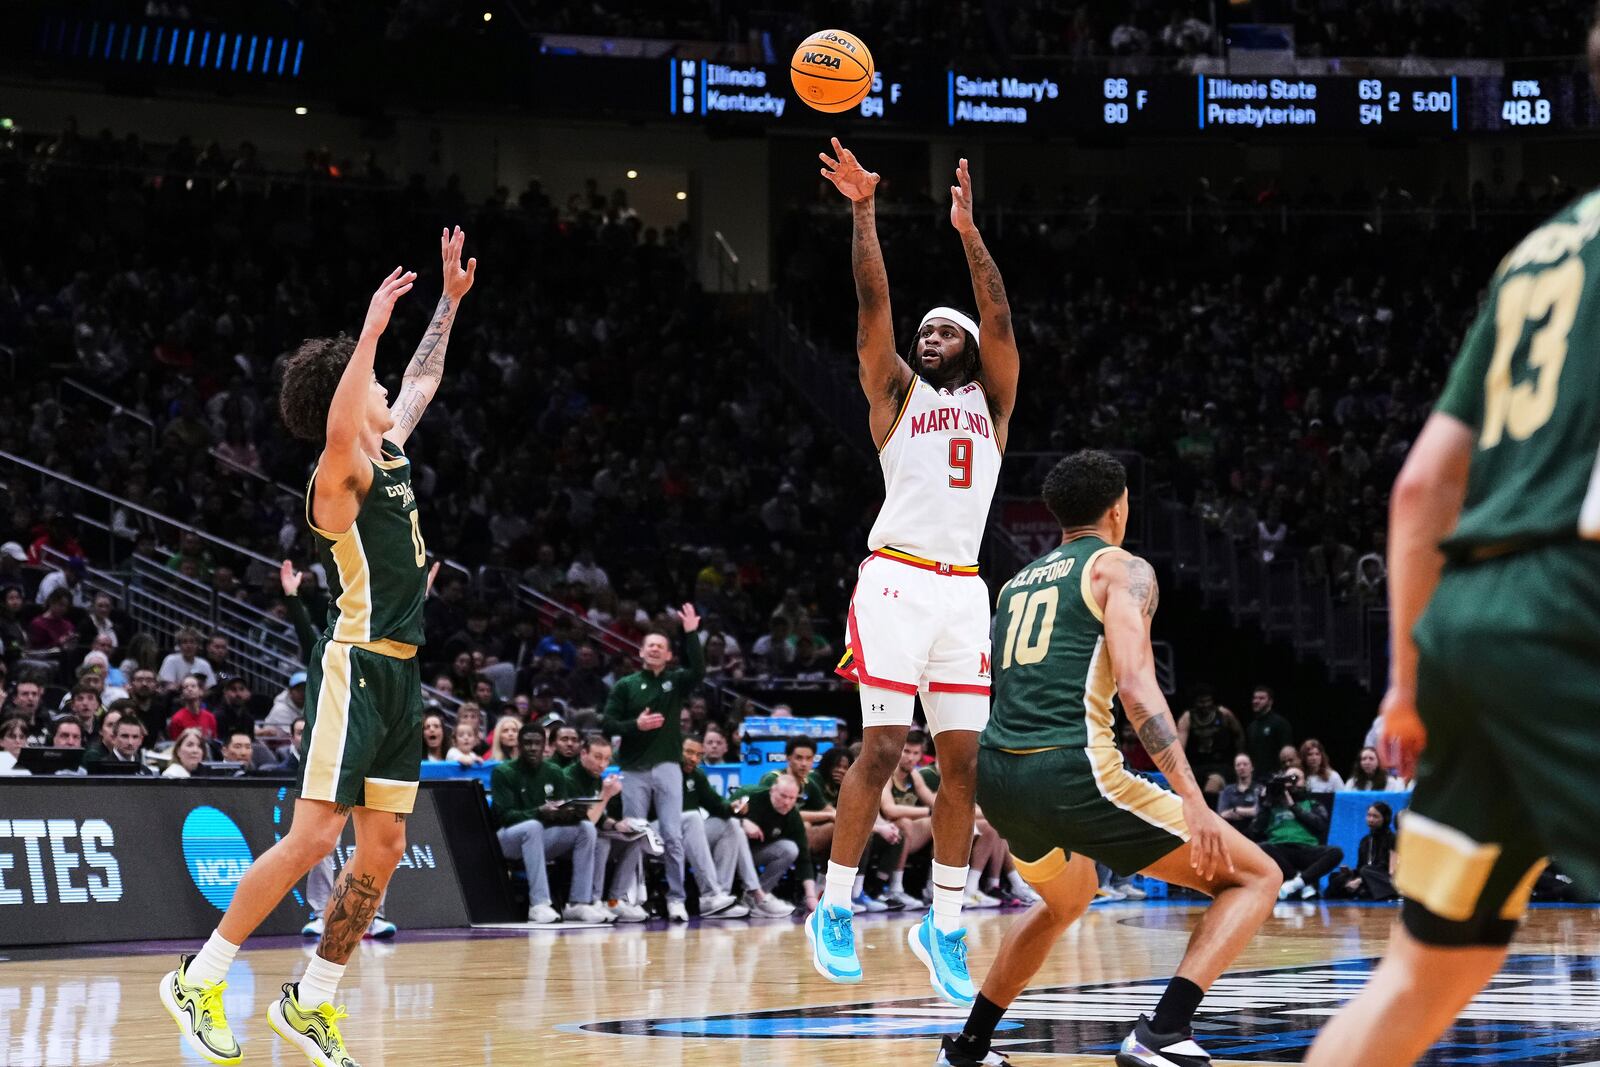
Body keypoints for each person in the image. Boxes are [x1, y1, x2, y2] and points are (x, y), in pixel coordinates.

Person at [1305, 39, 1600, 1058]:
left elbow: (1424, 484)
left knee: (1423, 974)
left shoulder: (1540, 252)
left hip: (1473, 621)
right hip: (1576, 611)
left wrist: (1406, 682)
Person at [160, 229, 475, 1067]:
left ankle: (312, 999)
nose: (381, 387)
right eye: (367, 381)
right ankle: (202, 974)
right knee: (311, 837)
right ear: (345, 395)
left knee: (379, 848)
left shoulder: (392, 448)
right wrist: (366, 331)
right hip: (355, 667)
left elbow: (423, 377)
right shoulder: (338, 477)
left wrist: (446, 301)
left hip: (405, 678)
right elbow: (349, 415)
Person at [939, 451, 1279, 1067]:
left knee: (1068, 899)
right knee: (1257, 876)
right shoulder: (1121, 569)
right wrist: (1195, 801)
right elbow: (1137, 687)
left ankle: (969, 1046)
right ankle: (1163, 1032)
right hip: (1073, 770)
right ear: (1119, 507)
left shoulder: (1017, 582)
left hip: (1002, 775)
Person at [811, 142, 1021, 1006]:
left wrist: (970, 235)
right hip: (896, 578)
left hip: (965, 590)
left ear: (968, 347)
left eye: (944, 332)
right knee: (886, 746)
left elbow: (1002, 320)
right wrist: (863, 211)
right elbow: (872, 306)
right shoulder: (898, 396)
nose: (928, 339)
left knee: (965, 763)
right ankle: (833, 905)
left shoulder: (994, 401)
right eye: (924, 333)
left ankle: (943, 922)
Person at [600, 603, 703, 922]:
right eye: (650, 646)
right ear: (641, 652)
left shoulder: (675, 682)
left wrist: (691, 634)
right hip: (633, 769)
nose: (655, 649)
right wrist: (636, 726)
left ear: (669, 655)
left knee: (672, 834)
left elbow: (698, 671)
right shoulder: (626, 686)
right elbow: (606, 725)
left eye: (661, 646)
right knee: (634, 834)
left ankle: (676, 899)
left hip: (668, 766)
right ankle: (626, 897)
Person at [492, 721, 615, 925]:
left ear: (545, 746)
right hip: (508, 839)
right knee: (533, 826)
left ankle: (578, 903)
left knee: (586, 828)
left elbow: (563, 810)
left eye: (537, 743)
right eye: (527, 743)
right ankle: (539, 904)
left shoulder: (554, 772)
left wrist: (565, 813)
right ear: (519, 745)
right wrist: (539, 812)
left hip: (543, 837)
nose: (532, 748)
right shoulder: (503, 772)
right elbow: (505, 816)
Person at [561, 733, 650, 922]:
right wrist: (606, 794)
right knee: (601, 841)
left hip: (588, 834)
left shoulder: (595, 777)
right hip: (568, 839)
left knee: (634, 840)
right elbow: (586, 822)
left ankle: (614, 901)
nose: (602, 764)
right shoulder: (568, 778)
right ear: (583, 754)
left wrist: (617, 825)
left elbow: (600, 818)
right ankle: (594, 901)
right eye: (597, 757)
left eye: (607, 759)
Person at [1253, 767, 1343, 901]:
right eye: (1288, 779)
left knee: (1336, 852)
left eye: (1296, 778)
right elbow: (1255, 830)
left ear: (1305, 782)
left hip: (1306, 850)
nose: (1292, 783)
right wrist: (1266, 803)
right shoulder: (1271, 805)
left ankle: (1296, 883)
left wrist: (1293, 806)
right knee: (1260, 847)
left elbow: (1320, 826)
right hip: (1280, 851)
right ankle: (1302, 883)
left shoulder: (1313, 803)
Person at [1175, 685, 1244, 790]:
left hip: (1220, 765)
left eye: (1208, 701)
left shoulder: (1224, 714)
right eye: (1201, 702)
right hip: (1197, 765)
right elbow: (1180, 749)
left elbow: (1239, 734)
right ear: (1195, 702)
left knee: (1212, 786)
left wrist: (1239, 756)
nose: (1205, 705)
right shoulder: (1187, 718)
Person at [1327, 802, 1398, 901]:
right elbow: (1360, 866)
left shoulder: (1392, 839)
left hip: (1382, 877)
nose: (1371, 820)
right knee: (1335, 877)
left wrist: (1360, 880)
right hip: (1366, 876)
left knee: (1366, 871)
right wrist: (1350, 872)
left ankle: (1364, 890)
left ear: (1385, 819)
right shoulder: (1365, 841)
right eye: (1369, 815)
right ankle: (1362, 890)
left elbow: (1387, 868)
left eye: (1375, 816)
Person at [1244, 685, 1293, 780]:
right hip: (1255, 777)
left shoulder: (1280, 723)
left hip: (1274, 777)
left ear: (1270, 701)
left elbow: (1287, 752)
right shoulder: (1251, 726)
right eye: (1255, 698)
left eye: (1261, 698)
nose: (1256, 701)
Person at [1216, 753, 1265, 838]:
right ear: (1235, 769)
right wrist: (1248, 812)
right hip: (1233, 835)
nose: (1242, 767)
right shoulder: (1227, 791)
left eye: (1245, 764)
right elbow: (1222, 814)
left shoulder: (1260, 789)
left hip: (1256, 836)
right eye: (1238, 765)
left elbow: (1258, 812)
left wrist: (1236, 810)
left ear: (1252, 767)